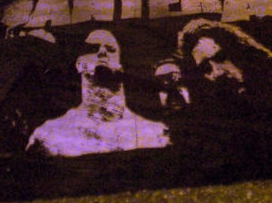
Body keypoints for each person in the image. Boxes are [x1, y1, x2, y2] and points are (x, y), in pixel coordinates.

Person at [27, 28, 170, 156]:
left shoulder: (155, 134)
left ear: (121, 65)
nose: (102, 52)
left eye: (110, 49)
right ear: (79, 64)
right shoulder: (50, 135)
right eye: (92, 49)